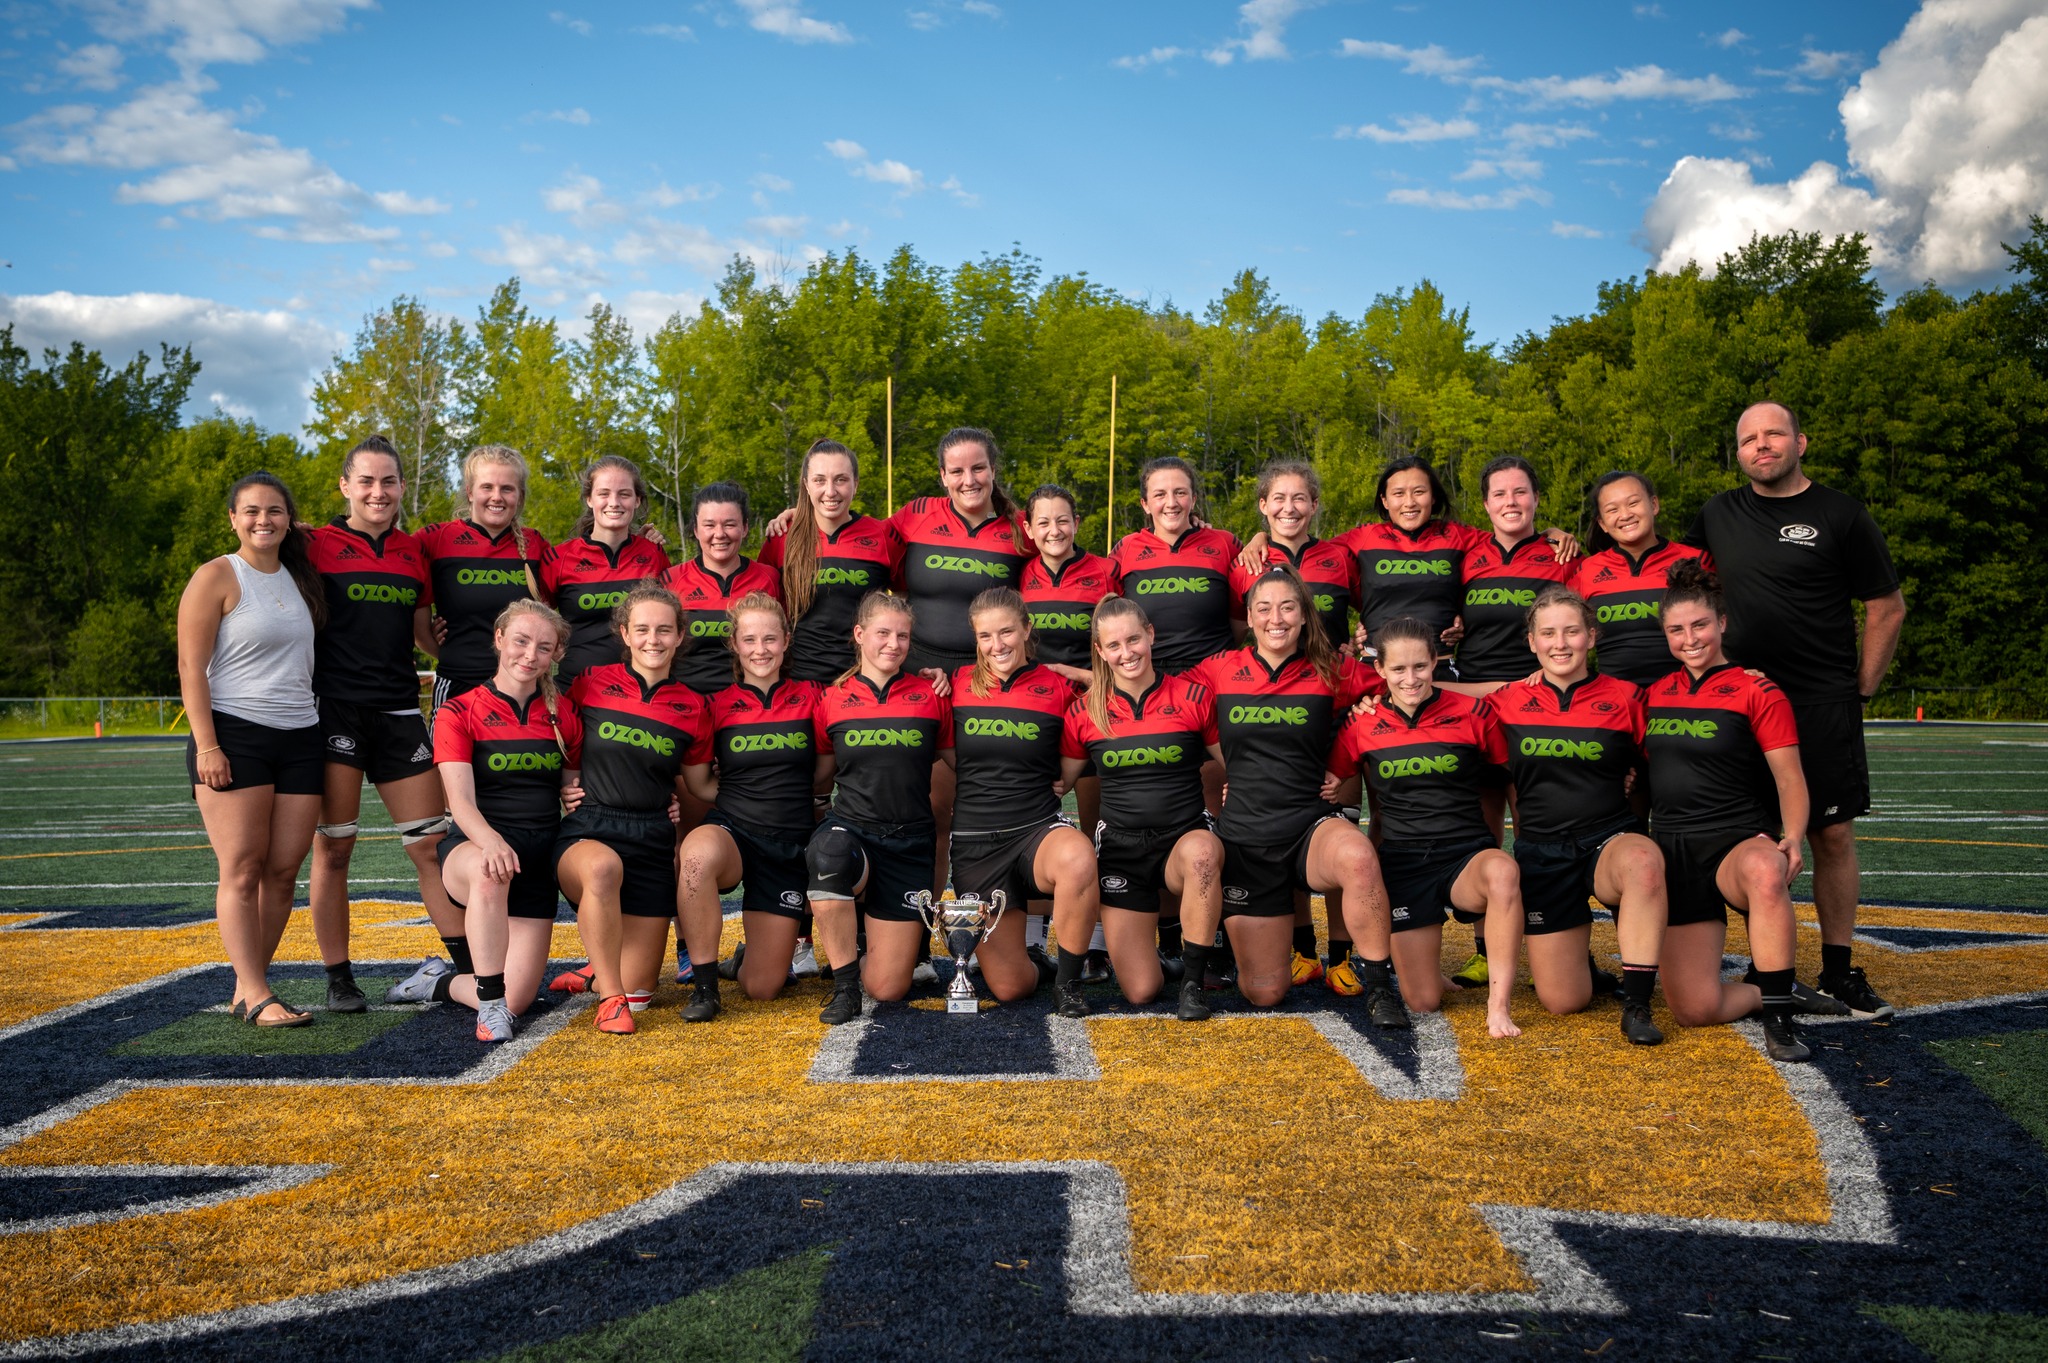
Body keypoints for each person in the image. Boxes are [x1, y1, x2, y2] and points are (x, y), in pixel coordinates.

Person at [1683, 401, 1906, 1020]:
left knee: (1831, 833)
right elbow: (1669, 580)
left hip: (1820, 701)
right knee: (1751, 834)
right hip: (1739, 703)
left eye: (1773, 433)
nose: (1762, 445)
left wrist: (1859, 687)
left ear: (1800, 441)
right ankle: (1768, 969)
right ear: (1739, 452)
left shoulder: (1841, 513)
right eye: (1749, 438)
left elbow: (1886, 606)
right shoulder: (1718, 513)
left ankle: (1837, 971)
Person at [1193, 568, 1407, 1027]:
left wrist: (1351, 741)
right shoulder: (1219, 670)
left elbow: (1398, 689)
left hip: (1309, 826)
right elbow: (1159, 699)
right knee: (1264, 992)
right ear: (1248, 617)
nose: (1277, 618)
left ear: (1305, 616)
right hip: (1246, 837)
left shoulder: (1331, 669)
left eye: (1288, 607)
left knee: (1358, 856)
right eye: (1265, 608)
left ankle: (1379, 987)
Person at [303, 436, 458, 1015]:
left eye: (388, 481)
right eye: (366, 480)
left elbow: (420, 630)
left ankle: (467, 965)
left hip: (397, 710)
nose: (378, 491)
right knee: (336, 849)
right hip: (334, 710)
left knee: (430, 849)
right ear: (344, 485)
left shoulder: (414, 550)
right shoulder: (314, 543)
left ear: (400, 487)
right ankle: (338, 975)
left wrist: (440, 639)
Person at [1642, 560, 1812, 1062]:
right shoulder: (1654, 694)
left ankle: (1780, 1019)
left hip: (1734, 839)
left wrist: (1794, 837)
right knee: (1694, 1009)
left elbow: (1790, 776)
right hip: (1672, 847)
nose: (1689, 638)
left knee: (1766, 870)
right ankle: (1772, 993)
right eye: (1676, 630)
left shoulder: (1757, 690)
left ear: (1721, 623)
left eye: (1699, 625)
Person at [1324, 616, 1525, 1039]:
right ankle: (1430, 974)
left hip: (1465, 856)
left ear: (1436, 662)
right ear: (1380, 670)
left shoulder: (1473, 713)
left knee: (1503, 871)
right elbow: (1331, 783)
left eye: (1420, 666)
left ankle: (1498, 1005)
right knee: (1423, 1001)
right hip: (1404, 863)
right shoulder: (1362, 723)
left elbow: (1513, 777)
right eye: (1398, 669)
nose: (1410, 678)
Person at [177, 472, 328, 1029]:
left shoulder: (300, 575)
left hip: (300, 734)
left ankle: (249, 984)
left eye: (274, 511)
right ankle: (258, 993)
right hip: (234, 733)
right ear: (232, 518)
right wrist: (208, 746)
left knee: (284, 871)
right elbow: (191, 667)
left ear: (290, 518)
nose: (262, 520)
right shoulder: (217, 575)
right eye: (251, 511)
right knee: (241, 868)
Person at [1489, 586, 1668, 1045]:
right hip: (1543, 853)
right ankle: (1585, 966)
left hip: (1607, 839)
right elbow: (1437, 703)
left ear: (1591, 635)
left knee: (1644, 862)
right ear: (1531, 642)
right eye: (1547, 633)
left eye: (1571, 631)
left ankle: (1638, 1004)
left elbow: (1670, 759)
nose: (1560, 643)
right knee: (1564, 1000)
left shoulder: (1628, 697)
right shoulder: (1506, 700)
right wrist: (1375, 694)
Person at [550, 584, 716, 1031]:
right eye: (642, 629)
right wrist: (562, 784)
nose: (653, 639)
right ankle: (608, 998)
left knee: (640, 993)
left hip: (652, 835)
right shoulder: (590, 682)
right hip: (591, 828)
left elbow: (700, 784)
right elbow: (553, 738)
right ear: (624, 633)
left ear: (681, 635)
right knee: (602, 870)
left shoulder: (694, 706)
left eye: (664, 630)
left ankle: (597, 974)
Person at [1060, 597, 1225, 1021]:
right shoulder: (1084, 711)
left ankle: (1193, 981)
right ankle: (1166, 965)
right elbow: (1058, 780)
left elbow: (1237, 765)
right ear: (1099, 651)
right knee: (1141, 991)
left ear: (1150, 635)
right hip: (1122, 850)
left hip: (1182, 842)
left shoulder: (1193, 698)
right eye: (1113, 645)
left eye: (1134, 639)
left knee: (1204, 855)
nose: (1126, 652)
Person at [429, 600, 581, 1042]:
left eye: (543, 647)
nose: (529, 654)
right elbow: (459, 802)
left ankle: (440, 982)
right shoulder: (459, 711)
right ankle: (489, 1006)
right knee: (488, 871)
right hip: (474, 847)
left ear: (556, 655)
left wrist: (574, 796)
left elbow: (572, 790)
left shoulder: (564, 713)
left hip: (535, 855)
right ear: (499, 639)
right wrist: (491, 842)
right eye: (520, 641)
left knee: (521, 999)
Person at [947, 588, 1098, 1018]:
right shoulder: (953, 686)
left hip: (1035, 833)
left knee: (1078, 858)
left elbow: (1105, 708)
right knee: (1010, 987)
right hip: (977, 847)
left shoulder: (1058, 689)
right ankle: (1039, 963)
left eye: (1007, 631)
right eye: (986, 636)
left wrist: (1082, 674)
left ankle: (1068, 984)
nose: (998, 645)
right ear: (975, 640)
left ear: (1027, 629)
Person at [806, 592, 954, 1025]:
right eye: (883, 633)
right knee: (828, 858)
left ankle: (875, 936)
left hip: (910, 842)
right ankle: (844, 985)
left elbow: (961, 762)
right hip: (853, 830)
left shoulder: (931, 694)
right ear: (859, 635)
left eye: (903, 635)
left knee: (889, 988)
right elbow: (820, 776)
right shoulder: (832, 698)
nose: (893, 643)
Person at [677, 593, 833, 1003]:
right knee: (694, 858)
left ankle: (742, 960)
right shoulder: (715, 705)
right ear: (734, 644)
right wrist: (739, 799)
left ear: (785, 640)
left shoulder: (815, 697)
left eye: (769, 639)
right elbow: (698, 785)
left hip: (788, 841)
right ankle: (705, 988)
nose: (760, 650)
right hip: (734, 830)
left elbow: (823, 770)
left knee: (762, 988)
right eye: (749, 640)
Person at [418, 447, 551, 708]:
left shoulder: (537, 545)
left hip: (522, 692)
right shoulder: (434, 540)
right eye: (487, 487)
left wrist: (647, 540)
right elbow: (416, 624)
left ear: (520, 495)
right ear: (470, 491)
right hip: (457, 688)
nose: (496, 497)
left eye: (507, 489)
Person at [759, 439, 902, 685]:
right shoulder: (782, 537)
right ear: (806, 484)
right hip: (797, 681)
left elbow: (904, 598)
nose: (830, 491)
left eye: (840, 479)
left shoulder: (882, 535)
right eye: (819, 480)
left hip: (863, 681)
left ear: (855, 484)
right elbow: (762, 609)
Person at [1449, 457, 1578, 696]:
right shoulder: (1467, 558)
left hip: (1534, 693)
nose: (1510, 502)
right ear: (1486, 504)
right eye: (1499, 494)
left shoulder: (1563, 557)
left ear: (1536, 498)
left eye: (1520, 492)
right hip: (1468, 692)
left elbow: (1585, 631)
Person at [1570, 471, 1711, 687]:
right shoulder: (1586, 571)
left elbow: (1729, 624)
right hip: (1614, 705)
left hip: (1687, 700)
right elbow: (1561, 633)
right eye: (1612, 509)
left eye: (1633, 503)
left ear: (1654, 505)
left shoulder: (1697, 560)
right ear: (1602, 523)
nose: (1625, 514)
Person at [542, 456, 671, 684]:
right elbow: (533, 616)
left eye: (624, 494)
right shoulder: (559, 558)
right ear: (589, 499)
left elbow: (671, 619)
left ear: (637, 500)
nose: (614, 502)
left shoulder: (653, 554)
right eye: (604, 494)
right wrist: (550, 646)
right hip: (575, 688)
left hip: (638, 690)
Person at [1112, 456, 1243, 678]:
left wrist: (1260, 537)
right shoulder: (1126, 548)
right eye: (1160, 494)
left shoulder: (1225, 543)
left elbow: (1242, 621)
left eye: (1180, 493)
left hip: (1214, 676)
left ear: (1193, 499)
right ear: (1145, 504)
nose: (1171, 503)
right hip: (1149, 678)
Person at [662, 482, 782, 696]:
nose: (719, 534)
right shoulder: (672, 580)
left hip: (747, 708)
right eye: (709, 525)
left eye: (729, 524)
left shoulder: (769, 578)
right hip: (686, 706)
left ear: (744, 527)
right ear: (696, 530)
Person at [1227, 459, 1358, 651]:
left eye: (1299, 498)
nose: (1288, 508)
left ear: (1314, 505)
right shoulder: (1245, 564)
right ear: (1263, 505)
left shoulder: (1341, 558)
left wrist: (1358, 644)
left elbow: (1379, 608)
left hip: (1332, 677)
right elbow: (1232, 640)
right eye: (1279, 498)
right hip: (1274, 680)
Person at [1019, 483, 1120, 686]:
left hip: (1092, 696)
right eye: (1043, 523)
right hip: (1035, 697)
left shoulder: (1109, 571)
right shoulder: (1019, 573)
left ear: (1075, 523)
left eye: (1062, 521)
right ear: (1028, 529)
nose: (1054, 531)